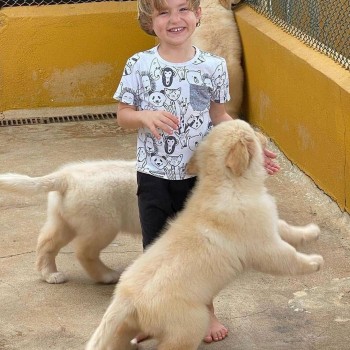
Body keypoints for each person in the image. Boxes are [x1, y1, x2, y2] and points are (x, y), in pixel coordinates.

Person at [114, 0, 279, 344]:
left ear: (199, 15)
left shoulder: (212, 66)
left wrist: (253, 146)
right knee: (157, 249)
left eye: (183, 9)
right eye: (163, 12)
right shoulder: (139, 65)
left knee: (201, 253)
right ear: (150, 20)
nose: (175, 19)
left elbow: (219, 116)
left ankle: (206, 312)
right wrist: (143, 116)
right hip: (154, 175)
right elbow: (123, 114)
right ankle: (153, 316)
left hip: (199, 178)